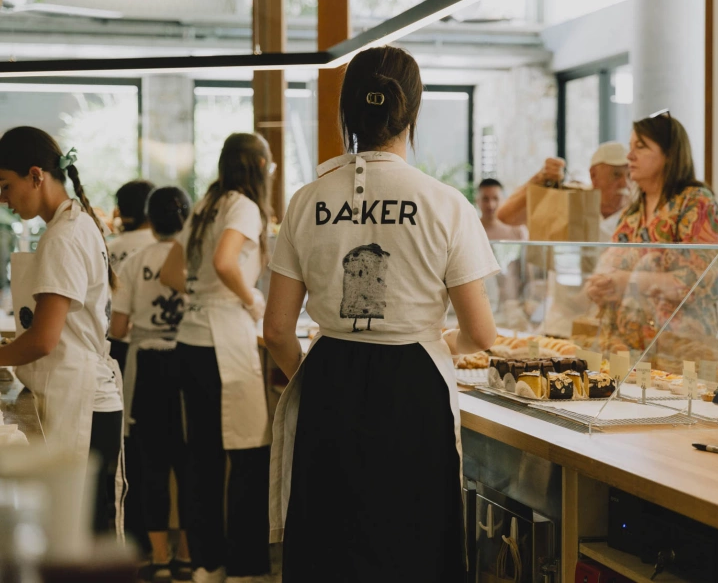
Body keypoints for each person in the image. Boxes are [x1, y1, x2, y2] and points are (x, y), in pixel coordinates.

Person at [264, 46, 498, 582]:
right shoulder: (445, 203)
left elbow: (276, 330)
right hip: (414, 383)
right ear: (412, 113)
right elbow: (481, 333)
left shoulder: (307, 200)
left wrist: (320, 372)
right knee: (410, 548)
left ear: (346, 112)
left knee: (329, 546)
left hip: (328, 377)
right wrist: (442, 343)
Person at [0, 126, 123, 534]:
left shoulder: (64, 236)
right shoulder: (75, 223)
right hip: (88, 395)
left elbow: (43, 339)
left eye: (5, 185)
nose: (3, 199)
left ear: (36, 175)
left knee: (76, 535)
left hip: (83, 400)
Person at [161, 133, 272, 583]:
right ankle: (244, 568)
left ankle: (207, 563)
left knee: (201, 458)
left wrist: (202, 294)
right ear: (260, 165)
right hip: (223, 341)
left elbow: (172, 272)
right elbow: (227, 262)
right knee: (248, 453)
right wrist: (250, 301)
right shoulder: (243, 206)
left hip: (190, 338)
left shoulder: (207, 204)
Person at [586, 111, 718, 353]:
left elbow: (701, 281)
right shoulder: (632, 213)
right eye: (630, 147)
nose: (629, 156)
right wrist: (599, 286)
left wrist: (628, 281)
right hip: (627, 353)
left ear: (669, 154)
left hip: (682, 351)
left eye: (640, 147)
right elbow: (610, 268)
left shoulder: (696, 204)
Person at [110, 186, 192, 583]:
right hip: (190, 364)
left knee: (153, 466)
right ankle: (188, 556)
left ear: (148, 218)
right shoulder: (195, 258)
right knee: (191, 464)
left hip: (146, 369)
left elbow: (119, 327)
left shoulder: (134, 262)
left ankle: (159, 558)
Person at [496, 142, 630, 241]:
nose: (625, 183)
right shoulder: (571, 203)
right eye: (616, 175)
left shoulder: (639, 210)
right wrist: (540, 178)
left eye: (629, 175)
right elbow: (506, 217)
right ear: (593, 175)